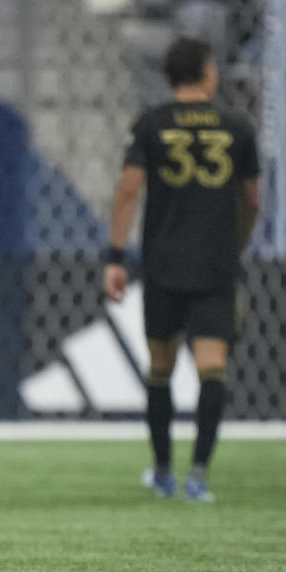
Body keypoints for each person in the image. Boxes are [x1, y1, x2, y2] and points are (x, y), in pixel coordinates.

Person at [105, 37, 261, 502]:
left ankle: (163, 473)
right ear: (208, 71)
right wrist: (240, 241)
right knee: (212, 367)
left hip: (164, 264)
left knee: (160, 367)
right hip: (215, 263)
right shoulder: (238, 125)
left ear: (172, 75)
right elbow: (252, 199)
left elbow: (130, 190)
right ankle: (198, 477)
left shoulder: (151, 124)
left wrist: (115, 257)